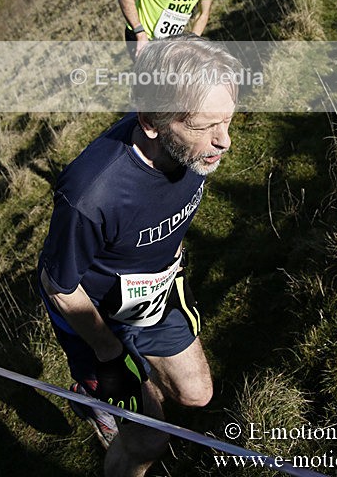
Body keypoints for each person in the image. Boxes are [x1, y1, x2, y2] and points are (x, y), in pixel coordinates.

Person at [38, 35, 240, 477]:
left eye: (227, 121)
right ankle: (100, 397)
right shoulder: (90, 195)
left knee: (197, 395)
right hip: (94, 317)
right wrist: (109, 355)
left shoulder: (193, 150)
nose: (223, 141)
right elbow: (58, 285)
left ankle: (117, 390)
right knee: (150, 439)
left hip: (155, 296)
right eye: (205, 126)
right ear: (151, 122)